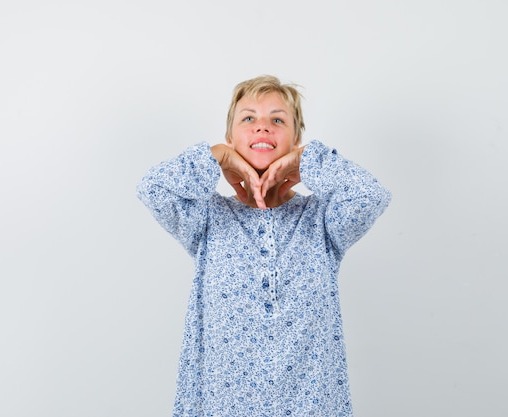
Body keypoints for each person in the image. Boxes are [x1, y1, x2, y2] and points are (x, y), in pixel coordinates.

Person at [136, 75, 391, 417]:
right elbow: (153, 190)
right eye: (248, 119)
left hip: (309, 406)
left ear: (296, 140)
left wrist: (309, 161)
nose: (262, 128)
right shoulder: (208, 218)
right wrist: (217, 157)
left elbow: (371, 196)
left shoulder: (322, 221)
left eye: (277, 120)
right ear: (231, 138)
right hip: (222, 406)